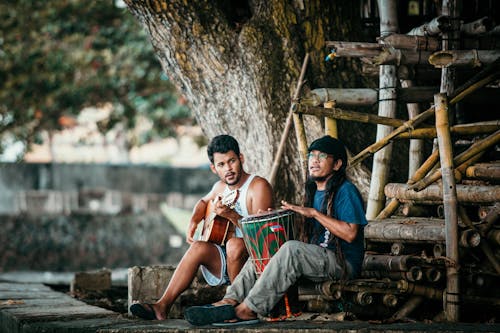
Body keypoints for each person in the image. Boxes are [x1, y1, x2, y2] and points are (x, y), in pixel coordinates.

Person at [184, 135, 367, 326]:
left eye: (322, 156)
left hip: (343, 264)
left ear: (337, 164)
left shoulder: (346, 191)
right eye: (311, 155)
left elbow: (350, 233)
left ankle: (249, 309)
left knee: (290, 249)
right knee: (268, 247)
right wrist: (271, 220)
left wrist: (313, 213)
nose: (314, 161)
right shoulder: (314, 191)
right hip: (318, 260)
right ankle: (230, 300)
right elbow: (311, 234)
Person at [130, 134, 274, 320]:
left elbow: (261, 237)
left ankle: (237, 308)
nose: (228, 169)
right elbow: (202, 202)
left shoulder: (258, 186)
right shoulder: (219, 187)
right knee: (198, 247)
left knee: (235, 245)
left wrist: (230, 215)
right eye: (221, 165)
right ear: (214, 168)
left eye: (232, 161)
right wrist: (194, 221)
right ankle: (162, 306)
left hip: (252, 262)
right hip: (226, 258)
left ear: (241, 159)